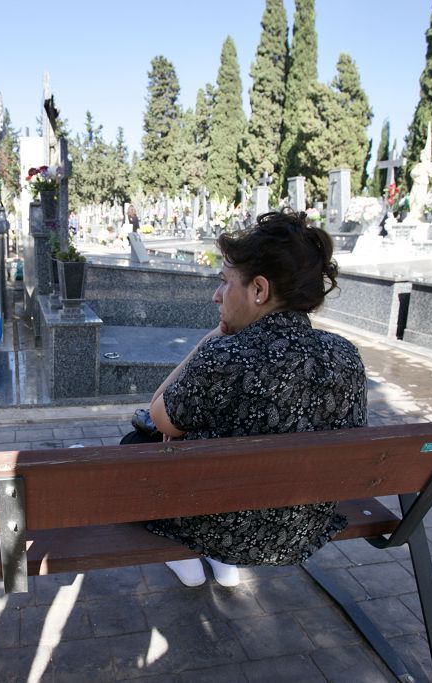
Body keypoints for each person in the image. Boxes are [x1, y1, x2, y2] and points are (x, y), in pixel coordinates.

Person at [145, 210, 367, 587]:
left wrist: (210, 339)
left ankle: (193, 556)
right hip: (301, 532)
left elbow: (158, 413)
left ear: (259, 290)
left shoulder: (226, 356)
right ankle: (218, 563)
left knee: (139, 442)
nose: (217, 296)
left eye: (225, 283)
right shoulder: (345, 355)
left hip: (217, 527)